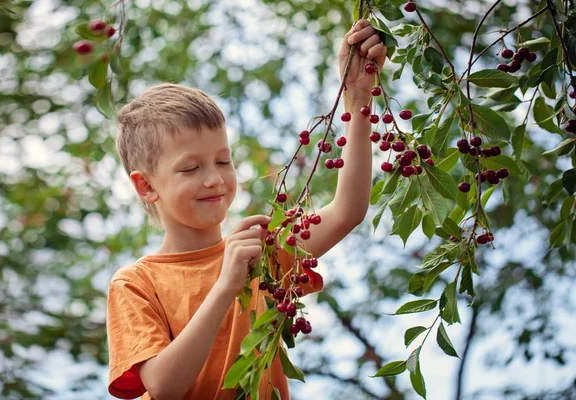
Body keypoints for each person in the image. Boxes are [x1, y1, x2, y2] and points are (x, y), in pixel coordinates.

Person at [106, 18, 386, 400]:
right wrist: (226, 285)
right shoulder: (137, 284)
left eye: (224, 161)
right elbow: (164, 387)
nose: (214, 179)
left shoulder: (261, 252)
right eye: (191, 168)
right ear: (146, 185)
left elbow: (347, 211)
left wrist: (358, 99)